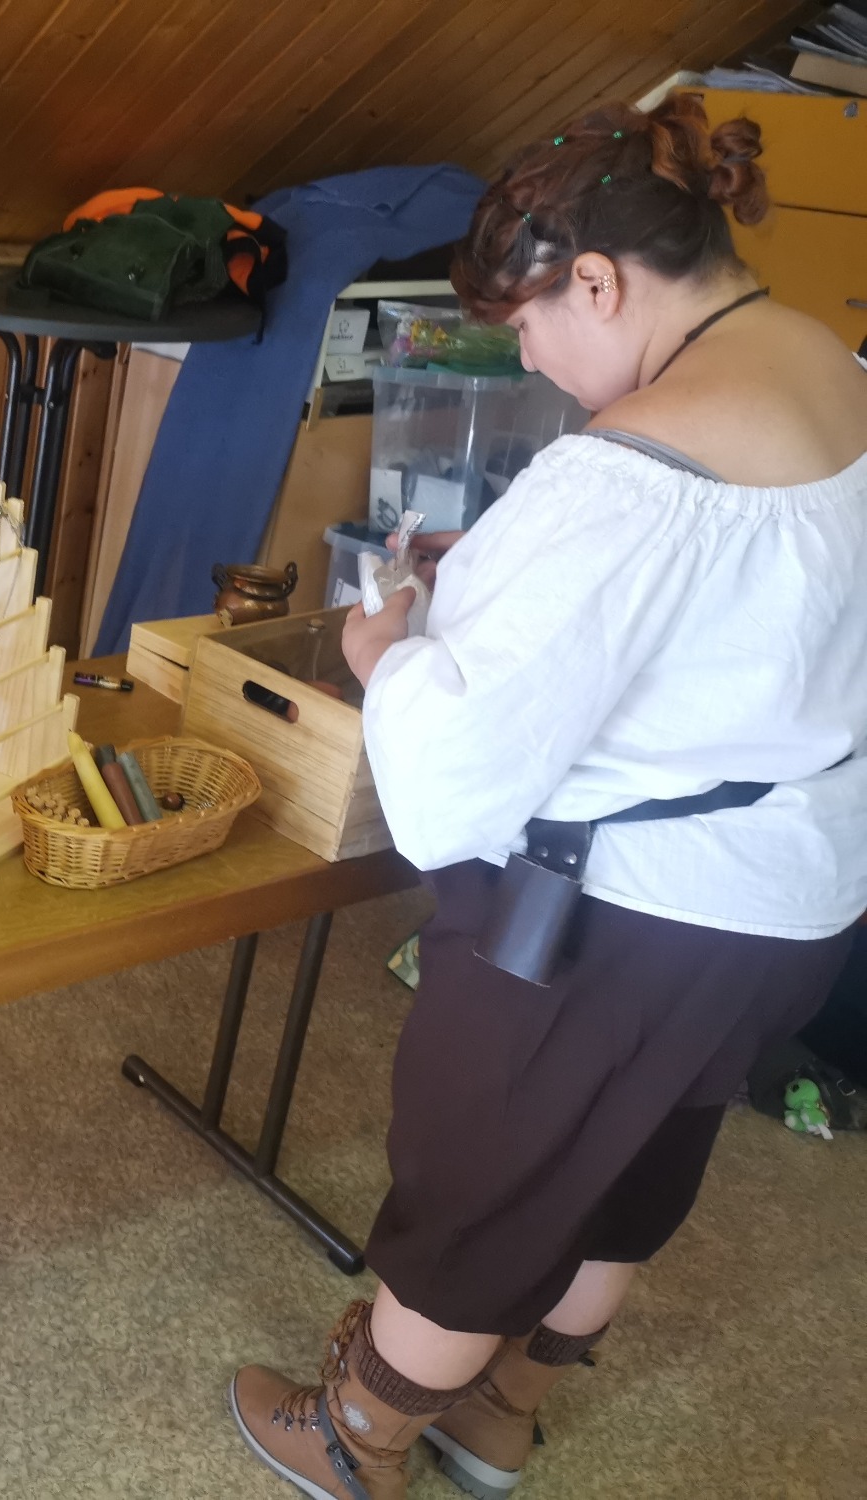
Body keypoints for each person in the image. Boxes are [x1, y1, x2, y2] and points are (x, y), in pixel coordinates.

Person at [229, 93, 867, 1499]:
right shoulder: (825, 361)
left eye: (526, 326)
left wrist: (388, 656)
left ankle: (358, 1435)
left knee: (486, 1178)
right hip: (791, 898)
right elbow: (733, 621)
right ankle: (500, 1414)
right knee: (636, 1163)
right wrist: (510, 575)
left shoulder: (632, 469)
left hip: (628, 921)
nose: (528, 356)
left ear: (598, 281)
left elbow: (452, 781)